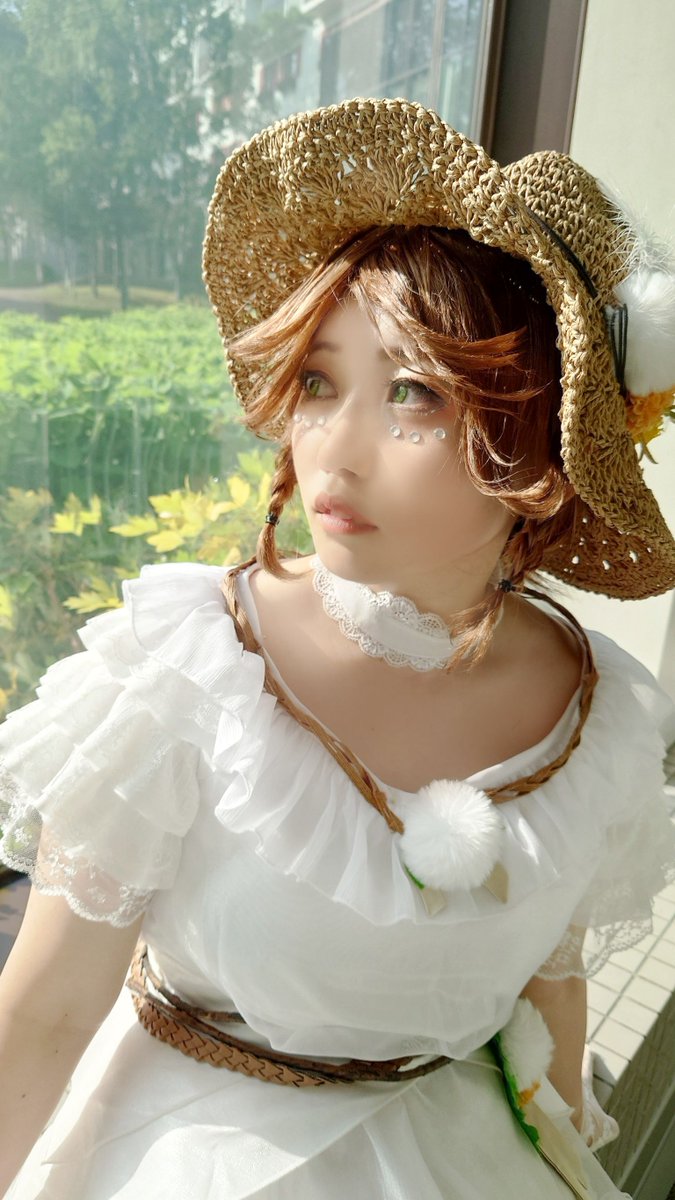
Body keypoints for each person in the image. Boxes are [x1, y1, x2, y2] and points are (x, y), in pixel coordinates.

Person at [1, 96, 675, 1200]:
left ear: (541, 443)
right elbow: (42, 1014)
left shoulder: (598, 715)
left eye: (412, 393)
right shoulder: (189, 666)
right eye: (318, 381)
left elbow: (549, 989)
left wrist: (563, 1148)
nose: (333, 448)